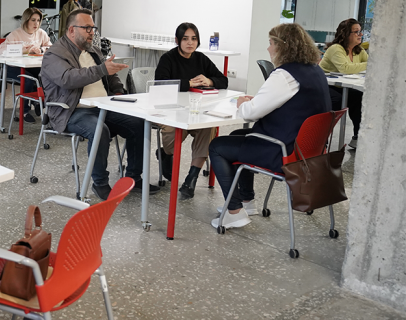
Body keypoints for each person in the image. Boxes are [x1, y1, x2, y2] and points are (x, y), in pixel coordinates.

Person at [208, 23, 330, 230]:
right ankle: (247, 200)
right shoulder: (315, 71)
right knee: (238, 134)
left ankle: (234, 212)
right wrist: (258, 102)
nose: (268, 48)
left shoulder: (284, 75)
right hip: (307, 151)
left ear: (283, 46)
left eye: (271, 43)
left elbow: (250, 113)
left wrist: (242, 103)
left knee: (217, 146)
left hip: (283, 151)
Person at [41, 9, 158, 200]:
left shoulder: (94, 51)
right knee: (99, 130)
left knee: (138, 123)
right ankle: (100, 183)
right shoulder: (54, 54)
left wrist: (119, 93)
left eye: (93, 28)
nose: (92, 32)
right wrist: (102, 69)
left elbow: (110, 77)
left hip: (103, 107)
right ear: (71, 30)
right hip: (71, 111)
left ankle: (134, 178)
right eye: (86, 28)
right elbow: (67, 79)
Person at [154, 22, 228, 200]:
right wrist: (187, 83)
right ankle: (166, 154)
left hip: (196, 112)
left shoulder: (201, 58)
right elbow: (160, 84)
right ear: (177, 40)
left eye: (194, 39)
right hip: (171, 112)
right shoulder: (168, 59)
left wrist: (210, 81)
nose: (190, 43)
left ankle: (191, 178)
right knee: (172, 135)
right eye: (185, 39)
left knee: (209, 128)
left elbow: (223, 81)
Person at [319, 18, 367, 148]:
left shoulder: (358, 50)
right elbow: (345, 69)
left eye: (360, 31)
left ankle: (357, 137)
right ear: (346, 34)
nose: (360, 34)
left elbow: (371, 64)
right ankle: (320, 139)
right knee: (337, 100)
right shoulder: (336, 48)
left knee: (359, 97)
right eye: (356, 32)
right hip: (326, 86)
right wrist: (367, 64)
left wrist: (367, 64)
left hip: (342, 85)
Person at [0, 7, 52, 123]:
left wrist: (40, 50)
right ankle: (24, 111)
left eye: (38, 20)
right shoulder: (15, 34)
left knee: (46, 75)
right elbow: (2, 50)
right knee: (28, 80)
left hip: (32, 66)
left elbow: (50, 48)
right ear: (26, 20)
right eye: (33, 20)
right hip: (12, 68)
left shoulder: (41, 33)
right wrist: (24, 50)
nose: (36, 23)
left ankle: (38, 102)